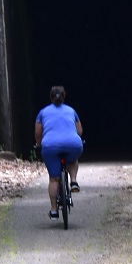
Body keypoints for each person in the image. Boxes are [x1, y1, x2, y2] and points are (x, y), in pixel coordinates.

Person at [35, 85, 84, 220]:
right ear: (64, 96)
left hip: (50, 147)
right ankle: (73, 181)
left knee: (54, 179)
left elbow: (38, 134)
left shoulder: (43, 112)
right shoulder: (71, 111)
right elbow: (79, 131)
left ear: (51, 97)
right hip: (72, 145)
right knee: (72, 160)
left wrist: (39, 145)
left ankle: (54, 210)